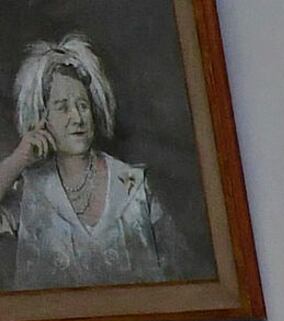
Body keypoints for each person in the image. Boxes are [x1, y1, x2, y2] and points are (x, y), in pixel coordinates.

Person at [2, 34, 193, 291]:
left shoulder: (132, 184)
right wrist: (18, 159)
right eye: (62, 107)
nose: (77, 118)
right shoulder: (30, 189)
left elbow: (181, 270)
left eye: (83, 105)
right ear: (41, 119)